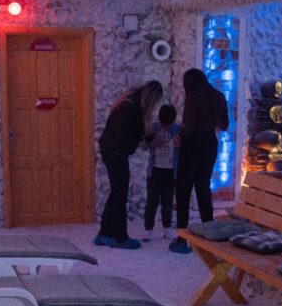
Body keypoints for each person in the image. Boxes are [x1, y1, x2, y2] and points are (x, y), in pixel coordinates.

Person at [96, 80, 164, 250]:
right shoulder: (130, 109)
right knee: (120, 195)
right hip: (116, 154)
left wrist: (147, 139)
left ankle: (104, 233)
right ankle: (120, 237)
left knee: (116, 192)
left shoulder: (129, 104)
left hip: (110, 151)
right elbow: (126, 135)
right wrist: (139, 142)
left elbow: (135, 131)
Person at [169, 68, 229, 254]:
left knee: (183, 190)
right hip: (210, 143)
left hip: (192, 144)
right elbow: (225, 125)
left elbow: (189, 126)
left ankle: (182, 237)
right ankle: (209, 232)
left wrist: (179, 134)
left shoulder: (193, 96)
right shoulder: (219, 96)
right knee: (203, 187)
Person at [142, 104, 180, 241]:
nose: (166, 128)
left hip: (170, 172)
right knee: (151, 202)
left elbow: (185, 150)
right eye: (164, 125)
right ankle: (148, 230)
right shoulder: (153, 128)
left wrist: (179, 145)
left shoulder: (178, 130)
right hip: (154, 171)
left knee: (168, 202)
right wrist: (152, 143)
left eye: (168, 125)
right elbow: (143, 146)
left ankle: (167, 229)